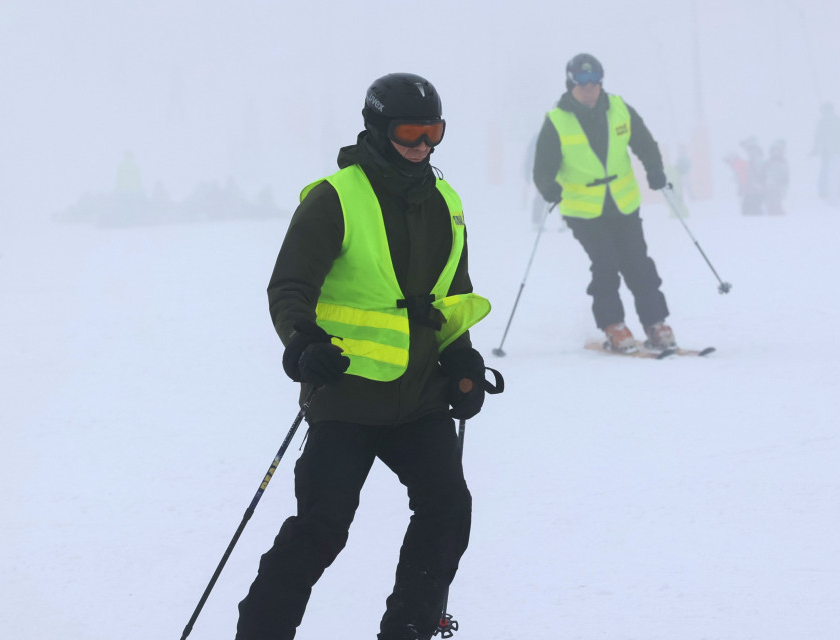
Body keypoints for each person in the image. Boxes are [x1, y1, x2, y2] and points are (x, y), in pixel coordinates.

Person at [240, 72, 496, 640]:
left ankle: (408, 628)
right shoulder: (336, 197)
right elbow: (290, 287)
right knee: (321, 530)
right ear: (378, 130)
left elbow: (451, 297)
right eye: (411, 131)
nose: (423, 145)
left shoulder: (445, 200)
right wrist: (305, 346)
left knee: (448, 509)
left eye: (435, 132)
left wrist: (462, 363)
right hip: (346, 394)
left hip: (419, 397)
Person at [531, 53, 677, 354]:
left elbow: (645, 144)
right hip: (583, 210)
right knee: (606, 262)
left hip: (623, 202)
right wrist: (549, 188)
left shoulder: (620, 109)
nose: (589, 87)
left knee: (638, 261)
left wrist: (655, 169)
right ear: (571, 83)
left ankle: (655, 323)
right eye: (582, 82)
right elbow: (542, 168)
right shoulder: (557, 121)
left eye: (594, 81)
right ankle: (613, 325)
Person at [813, 102, 840, 203]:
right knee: (837, 171)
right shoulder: (839, 120)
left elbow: (818, 136)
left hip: (826, 151)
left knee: (825, 171)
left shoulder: (822, 121)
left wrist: (815, 149)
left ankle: (823, 192)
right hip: (837, 151)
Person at [738, 137, 767, 216]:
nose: (744, 149)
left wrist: (757, 185)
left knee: (750, 211)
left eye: (746, 146)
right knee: (750, 210)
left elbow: (757, 174)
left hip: (754, 191)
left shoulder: (755, 155)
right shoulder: (753, 156)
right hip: (752, 190)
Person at [765, 139, 790, 216]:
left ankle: (779, 218)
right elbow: (764, 174)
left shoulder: (783, 163)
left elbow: (785, 178)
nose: (776, 152)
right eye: (774, 150)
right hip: (769, 188)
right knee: (770, 205)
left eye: (778, 150)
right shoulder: (769, 162)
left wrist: (782, 189)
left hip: (778, 189)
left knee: (776, 204)